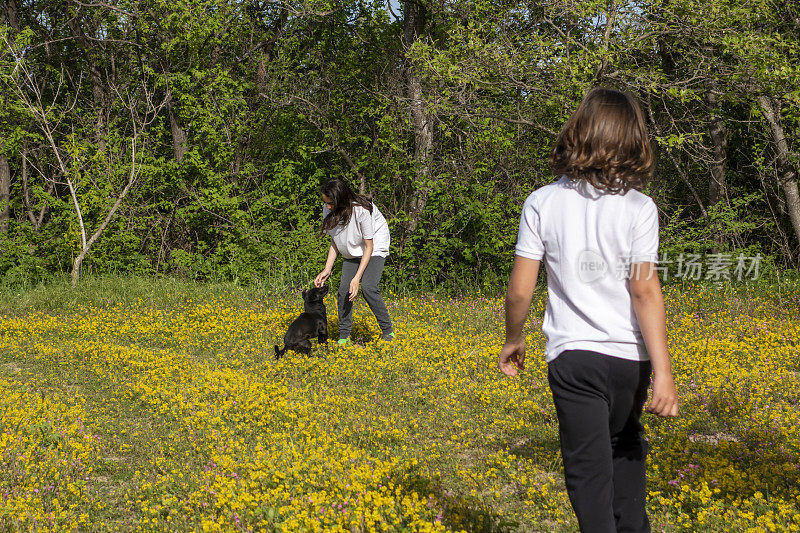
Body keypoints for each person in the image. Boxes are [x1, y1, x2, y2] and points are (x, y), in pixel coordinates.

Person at [499, 88, 679, 533]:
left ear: (578, 132)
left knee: (588, 474)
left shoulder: (542, 202)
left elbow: (521, 290)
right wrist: (664, 371)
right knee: (625, 448)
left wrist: (513, 338)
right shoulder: (640, 208)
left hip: (574, 357)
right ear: (633, 139)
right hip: (630, 361)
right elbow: (645, 290)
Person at [313, 177, 394, 344]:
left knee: (368, 287)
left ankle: (388, 331)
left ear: (341, 199)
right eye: (325, 202)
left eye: (331, 203)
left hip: (374, 245)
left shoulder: (362, 210)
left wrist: (357, 278)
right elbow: (335, 240)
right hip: (352, 247)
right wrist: (327, 269)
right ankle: (344, 337)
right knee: (344, 290)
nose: (327, 207)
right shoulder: (328, 209)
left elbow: (368, 246)